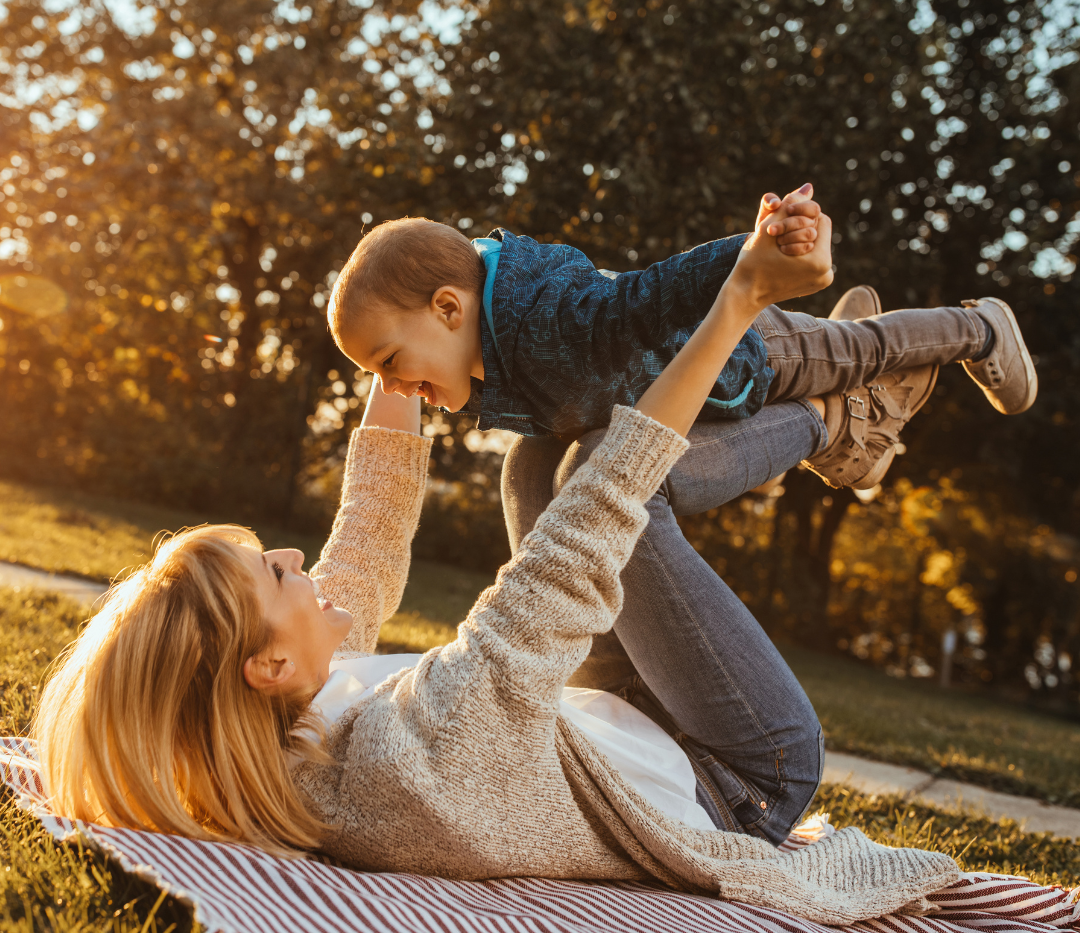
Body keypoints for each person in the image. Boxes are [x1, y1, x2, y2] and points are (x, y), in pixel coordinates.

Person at [34, 206, 963, 924]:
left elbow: (368, 533)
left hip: (616, 731)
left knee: (530, 460)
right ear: (266, 662)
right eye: (274, 575)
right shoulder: (413, 758)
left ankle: (838, 414)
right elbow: (605, 500)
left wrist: (393, 342)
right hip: (736, 776)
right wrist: (739, 302)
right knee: (596, 482)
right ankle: (839, 417)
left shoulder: (285, 720)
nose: (291, 556)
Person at [327, 187, 1036, 491]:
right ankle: (852, 408)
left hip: (750, 351)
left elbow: (651, 293)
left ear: (450, 308)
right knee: (847, 351)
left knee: (864, 352)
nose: (389, 389)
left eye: (388, 362)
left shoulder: (550, 318)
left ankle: (977, 328)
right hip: (705, 405)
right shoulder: (493, 361)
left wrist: (757, 249)